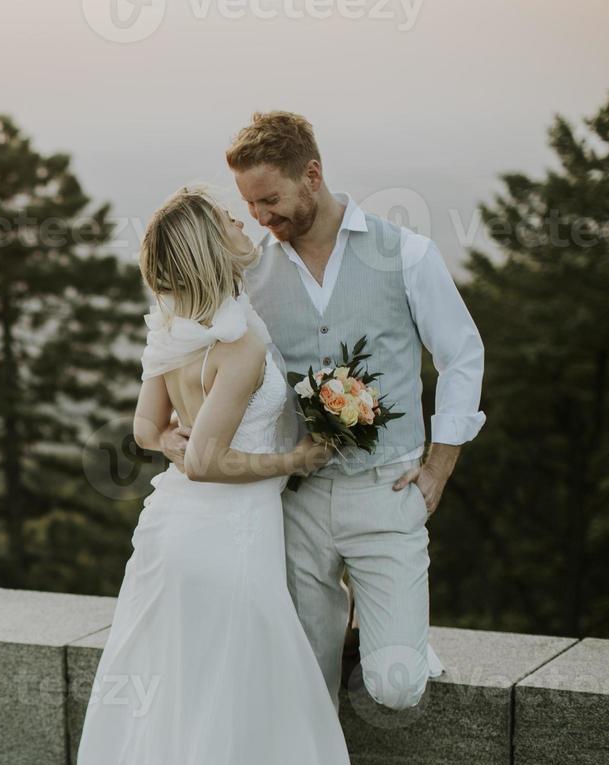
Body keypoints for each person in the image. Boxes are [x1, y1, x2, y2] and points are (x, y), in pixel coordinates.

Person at [61, 184, 360, 765]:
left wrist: (183, 449)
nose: (241, 221)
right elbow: (206, 460)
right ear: (210, 247)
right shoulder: (239, 343)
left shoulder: (174, 327)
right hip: (225, 537)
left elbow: (143, 430)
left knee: (181, 691)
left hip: (171, 533)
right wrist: (294, 455)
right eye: (228, 219)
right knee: (241, 692)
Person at [162, 111, 486, 710]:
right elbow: (195, 356)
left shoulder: (406, 253)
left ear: (311, 175)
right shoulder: (250, 274)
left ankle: (384, 631)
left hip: (386, 490)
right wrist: (173, 436)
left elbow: (462, 356)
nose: (260, 217)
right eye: (249, 205)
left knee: (396, 688)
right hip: (293, 501)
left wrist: (440, 466)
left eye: (270, 200)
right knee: (305, 686)